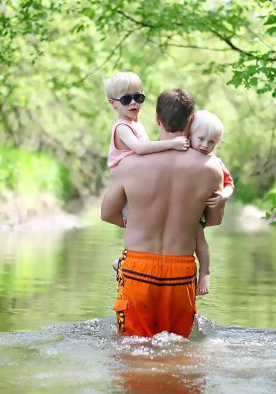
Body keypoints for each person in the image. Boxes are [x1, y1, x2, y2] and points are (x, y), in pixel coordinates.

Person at [101, 88, 224, 338]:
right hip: (181, 271)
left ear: (157, 119)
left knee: (133, 350)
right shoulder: (212, 168)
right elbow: (214, 219)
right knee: (178, 349)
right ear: (191, 120)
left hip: (137, 267)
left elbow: (106, 213)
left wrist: (139, 222)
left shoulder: (130, 164)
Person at [105, 71, 189, 269]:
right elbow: (141, 148)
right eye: (126, 99)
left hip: (138, 180)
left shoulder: (137, 125)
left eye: (138, 97)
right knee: (135, 222)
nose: (133, 103)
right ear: (113, 103)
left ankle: (140, 257)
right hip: (126, 185)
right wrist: (172, 144)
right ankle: (123, 261)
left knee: (143, 221)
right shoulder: (121, 127)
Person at [189, 110, 235, 296]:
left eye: (211, 142)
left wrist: (224, 195)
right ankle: (125, 258)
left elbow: (230, 184)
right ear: (189, 134)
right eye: (200, 139)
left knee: (200, 241)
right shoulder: (182, 151)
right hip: (175, 207)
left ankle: (205, 272)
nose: (204, 145)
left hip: (196, 211)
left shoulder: (215, 161)